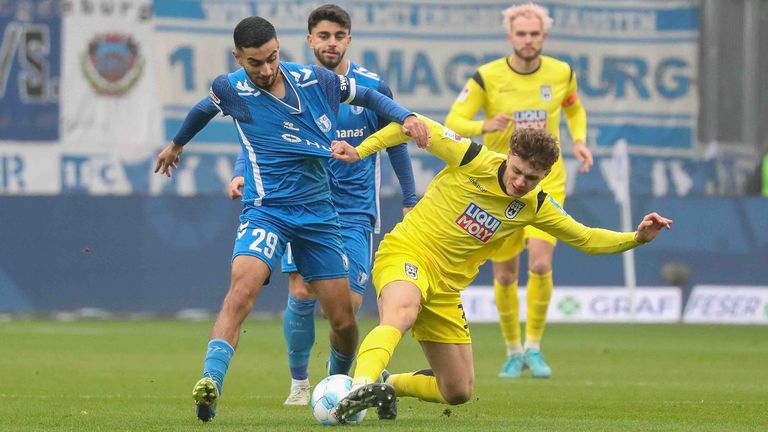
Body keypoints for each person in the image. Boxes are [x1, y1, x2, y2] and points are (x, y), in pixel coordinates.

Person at [153, 16, 429, 422]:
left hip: (320, 216)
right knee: (241, 291)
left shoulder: (317, 80)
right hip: (266, 211)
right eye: (254, 63)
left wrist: (405, 116)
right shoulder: (230, 88)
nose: (264, 70)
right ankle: (211, 381)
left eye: (271, 59)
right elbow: (202, 109)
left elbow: (371, 98)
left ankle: (338, 388)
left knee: (343, 319)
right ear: (238, 58)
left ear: (280, 47)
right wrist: (176, 144)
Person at [329, 115, 671, 423]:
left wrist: (636, 238)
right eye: (517, 171)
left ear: (546, 175)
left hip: (446, 288)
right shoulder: (471, 156)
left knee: (458, 390)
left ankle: (388, 384)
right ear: (509, 155)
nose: (521, 182)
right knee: (401, 313)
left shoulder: (536, 206)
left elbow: (586, 238)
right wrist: (360, 151)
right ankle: (357, 386)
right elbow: (409, 125)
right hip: (408, 252)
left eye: (532, 178)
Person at [228, 4, 418, 406]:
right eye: (323, 36)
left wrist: (410, 197)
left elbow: (396, 138)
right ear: (309, 40)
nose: (331, 43)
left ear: (349, 40)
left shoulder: (370, 87)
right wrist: (240, 170)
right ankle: (300, 386)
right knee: (300, 290)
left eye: (338, 36)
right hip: (303, 202)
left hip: (352, 211)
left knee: (346, 304)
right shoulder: (295, 84)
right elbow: (261, 138)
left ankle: (340, 383)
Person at [445, 2, 594, 378]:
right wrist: (485, 125)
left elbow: (574, 108)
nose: (528, 40)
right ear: (510, 36)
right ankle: (513, 350)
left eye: (535, 34)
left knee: (541, 263)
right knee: (506, 275)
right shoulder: (487, 76)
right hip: (502, 186)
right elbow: (453, 120)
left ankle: (534, 347)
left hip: (547, 181)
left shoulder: (562, 72)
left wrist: (579, 141)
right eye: (521, 34)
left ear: (544, 36)